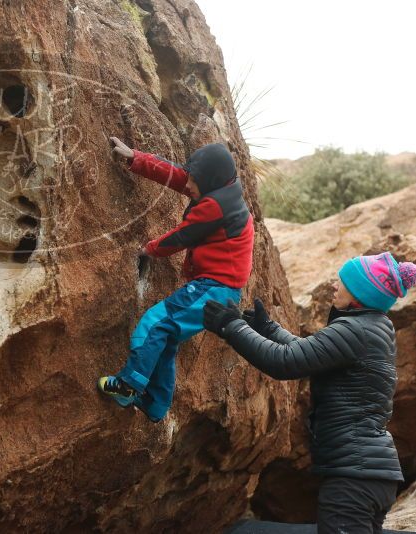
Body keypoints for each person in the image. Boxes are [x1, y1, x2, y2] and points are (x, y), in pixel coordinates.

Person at [203, 252, 416, 534]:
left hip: (354, 477)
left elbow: (285, 362)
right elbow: (309, 353)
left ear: (361, 294)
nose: (334, 285)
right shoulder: (373, 327)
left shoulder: (354, 330)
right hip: (371, 475)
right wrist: (268, 329)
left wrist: (231, 326)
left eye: (343, 282)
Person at [97, 137, 254, 422]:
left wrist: (149, 249)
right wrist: (136, 158)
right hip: (222, 290)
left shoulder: (216, 206)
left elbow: (184, 235)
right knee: (167, 338)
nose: (189, 186)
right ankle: (155, 404)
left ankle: (128, 385)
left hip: (214, 289)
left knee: (156, 322)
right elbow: (180, 176)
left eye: (195, 181)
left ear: (210, 180)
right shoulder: (221, 189)